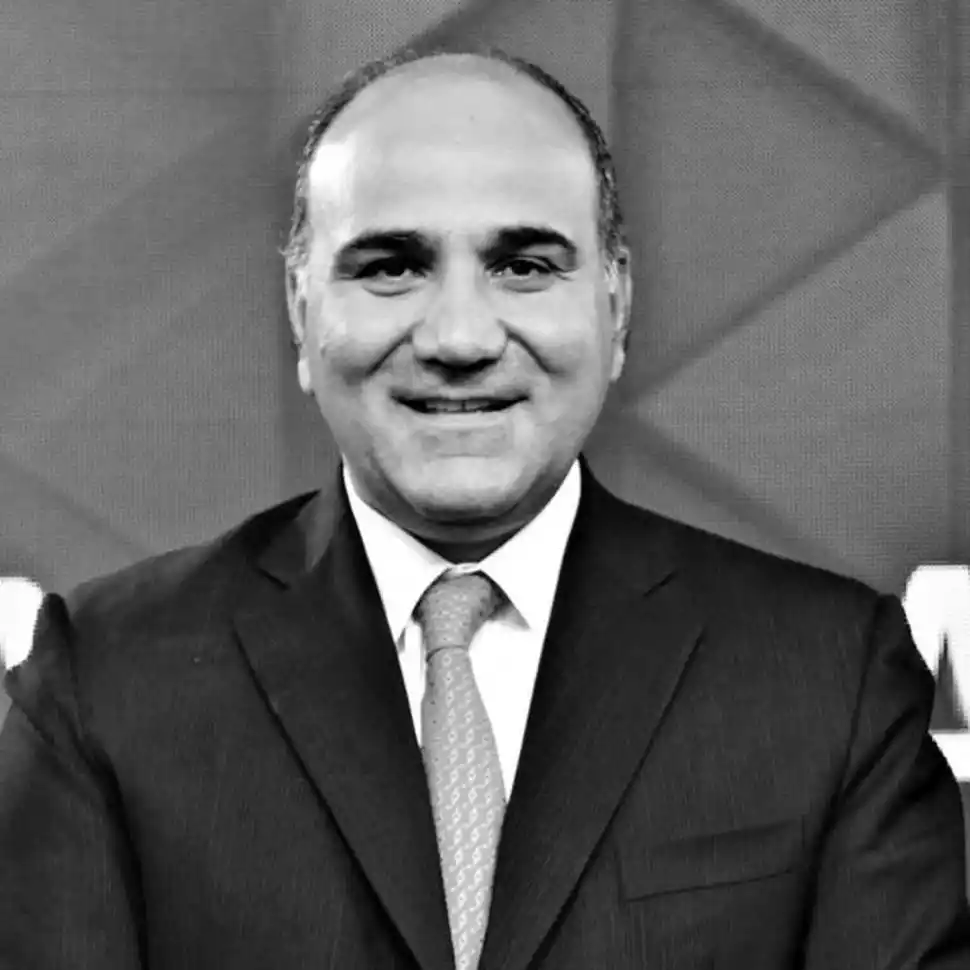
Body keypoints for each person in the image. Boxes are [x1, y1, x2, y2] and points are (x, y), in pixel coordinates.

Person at [0, 45, 967, 970]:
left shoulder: (830, 678)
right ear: (301, 310)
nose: (459, 336)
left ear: (617, 308)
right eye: (390, 266)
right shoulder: (106, 680)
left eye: (525, 266)